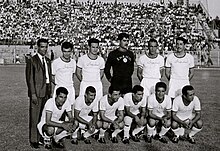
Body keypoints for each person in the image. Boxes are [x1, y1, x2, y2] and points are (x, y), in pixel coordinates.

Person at [25, 38, 52, 148]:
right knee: (34, 117)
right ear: (37, 47)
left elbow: (48, 77)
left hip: (46, 92)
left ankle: (41, 137)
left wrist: (49, 92)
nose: (44, 49)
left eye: (46, 47)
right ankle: (33, 140)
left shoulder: (48, 60)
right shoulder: (32, 60)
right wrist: (33, 94)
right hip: (37, 93)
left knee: (43, 117)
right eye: (42, 47)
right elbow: (30, 79)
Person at [52, 42, 76, 113]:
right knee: (57, 110)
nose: (67, 54)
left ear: (71, 51)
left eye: (69, 51)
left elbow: (72, 75)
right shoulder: (56, 62)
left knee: (70, 110)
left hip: (70, 89)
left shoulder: (73, 62)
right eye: (65, 51)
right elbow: (52, 77)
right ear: (62, 51)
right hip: (60, 88)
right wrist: (59, 84)